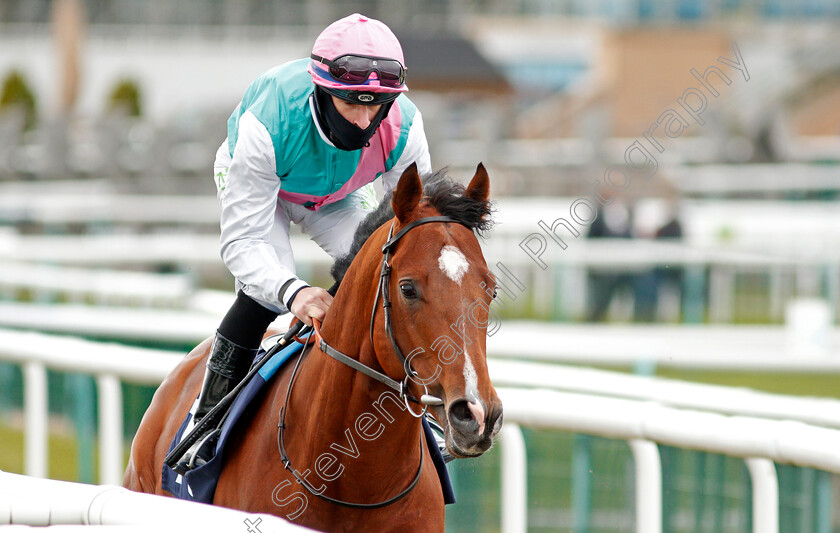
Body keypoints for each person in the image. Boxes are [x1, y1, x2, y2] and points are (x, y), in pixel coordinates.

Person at [175, 13, 432, 469]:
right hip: (264, 190)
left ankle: (421, 414)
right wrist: (295, 293)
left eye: (377, 105)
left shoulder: (405, 129)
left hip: (337, 196)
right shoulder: (269, 120)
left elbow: (416, 231)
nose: (364, 119)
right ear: (321, 89)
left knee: (379, 271)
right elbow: (242, 245)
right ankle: (204, 423)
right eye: (351, 103)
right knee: (264, 294)